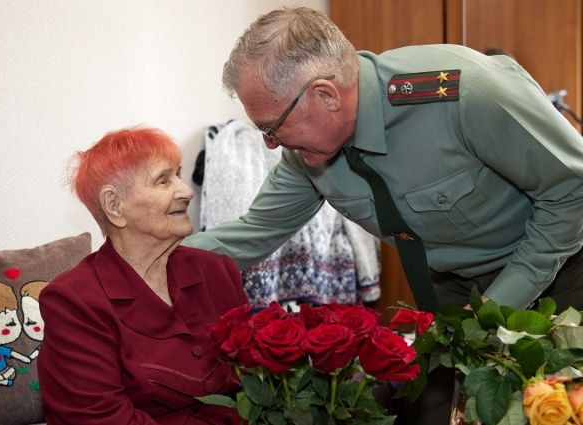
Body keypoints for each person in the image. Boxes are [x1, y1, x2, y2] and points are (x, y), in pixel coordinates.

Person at [180, 7, 583, 424]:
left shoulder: (464, 93)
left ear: (326, 95)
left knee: (547, 412)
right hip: (449, 295)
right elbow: (252, 233)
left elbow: (571, 190)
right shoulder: (308, 156)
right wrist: (146, 263)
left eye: (272, 127)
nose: (268, 145)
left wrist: (499, 307)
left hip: (555, 277)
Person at [37, 127, 247, 425]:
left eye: (179, 175)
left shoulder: (217, 271)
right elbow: (100, 419)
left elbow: (256, 382)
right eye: (163, 180)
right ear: (114, 206)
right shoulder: (74, 300)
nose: (186, 191)